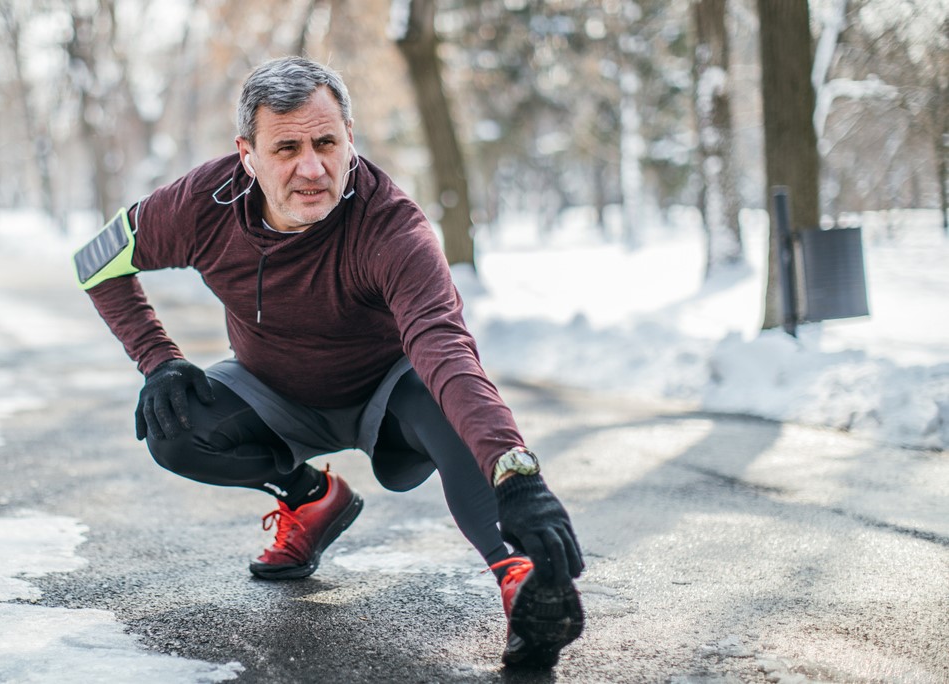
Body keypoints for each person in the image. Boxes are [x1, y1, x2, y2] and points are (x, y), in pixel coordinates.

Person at [75, 56, 584, 668]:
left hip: (391, 397)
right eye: (286, 148)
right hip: (272, 388)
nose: (312, 168)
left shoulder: (393, 228)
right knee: (174, 428)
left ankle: (521, 578)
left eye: (326, 142)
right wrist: (157, 360)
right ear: (248, 154)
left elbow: (447, 351)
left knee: (443, 399)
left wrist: (517, 473)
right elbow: (95, 263)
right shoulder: (198, 206)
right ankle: (310, 498)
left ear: (350, 140)